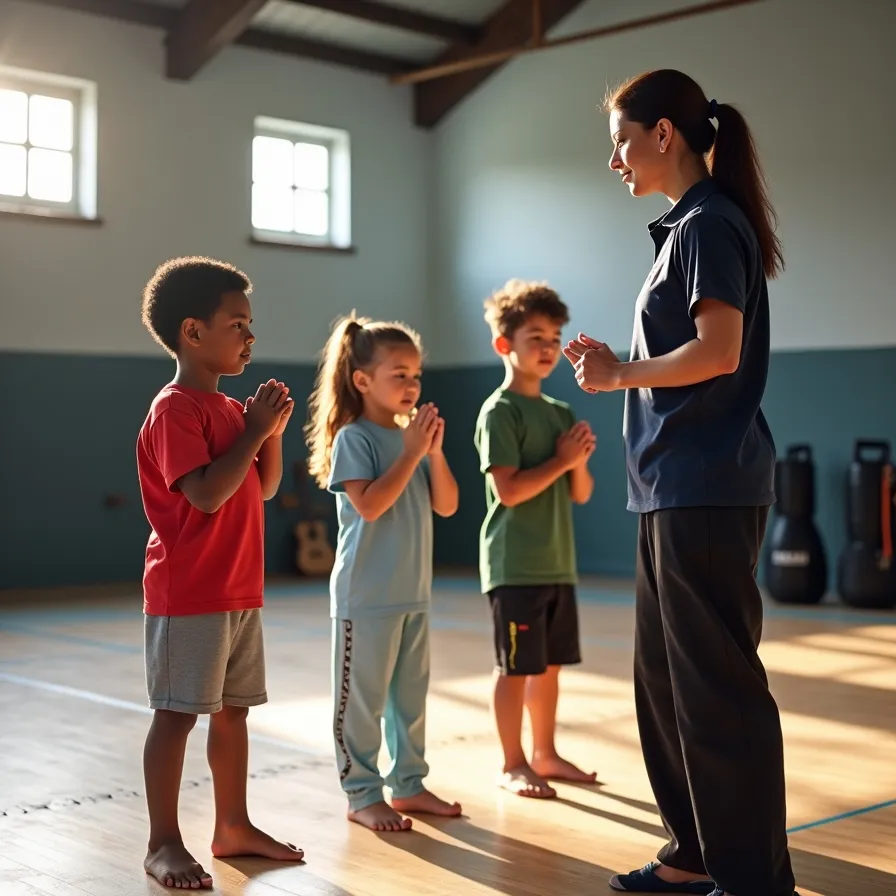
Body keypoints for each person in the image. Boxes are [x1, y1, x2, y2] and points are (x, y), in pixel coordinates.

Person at [563, 70, 797, 896]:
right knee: (666, 684)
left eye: (622, 142)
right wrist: (615, 370)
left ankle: (751, 879)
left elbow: (718, 351)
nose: (616, 161)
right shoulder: (686, 230)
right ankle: (696, 849)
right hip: (670, 486)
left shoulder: (708, 226)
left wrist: (618, 370)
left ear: (665, 134)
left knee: (717, 692)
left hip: (707, 486)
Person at [137, 256, 303, 890]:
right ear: (192, 332)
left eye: (250, 325)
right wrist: (253, 430)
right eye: (238, 324)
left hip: (238, 588)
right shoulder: (175, 409)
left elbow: (261, 489)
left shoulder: (233, 411)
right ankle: (162, 842)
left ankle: (232, 825)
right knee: (177, 715)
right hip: (190, 593)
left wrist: (270, 433)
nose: (250, 337)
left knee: (234, 712)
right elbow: (205, 494)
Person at [305, 315, 462, 833]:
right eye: (400, 374)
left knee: (409, 702)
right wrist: (413, 451)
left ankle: (410, 785)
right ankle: (362, 793)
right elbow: (369, 505)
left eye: (416, 375)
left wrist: (432, 456)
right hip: (366, 597)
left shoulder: (412, 437)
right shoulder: (355, 438)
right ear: (362, 380)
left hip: (412, 595)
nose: (412, 385)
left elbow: (447, 505)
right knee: (362, 704)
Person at [474, 279, 597, 800]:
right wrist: (562, 460)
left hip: (556, 563)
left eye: (555, 338)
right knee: (517, 667)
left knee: (548, 666)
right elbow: (511, 491)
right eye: (536, 338)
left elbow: (581, 494)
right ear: (505, 345)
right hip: (514, 564)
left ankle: (545, 753)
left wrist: (579, 463)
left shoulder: (561, 413)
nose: (548, 348)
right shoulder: (498, 412)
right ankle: (513, 761)